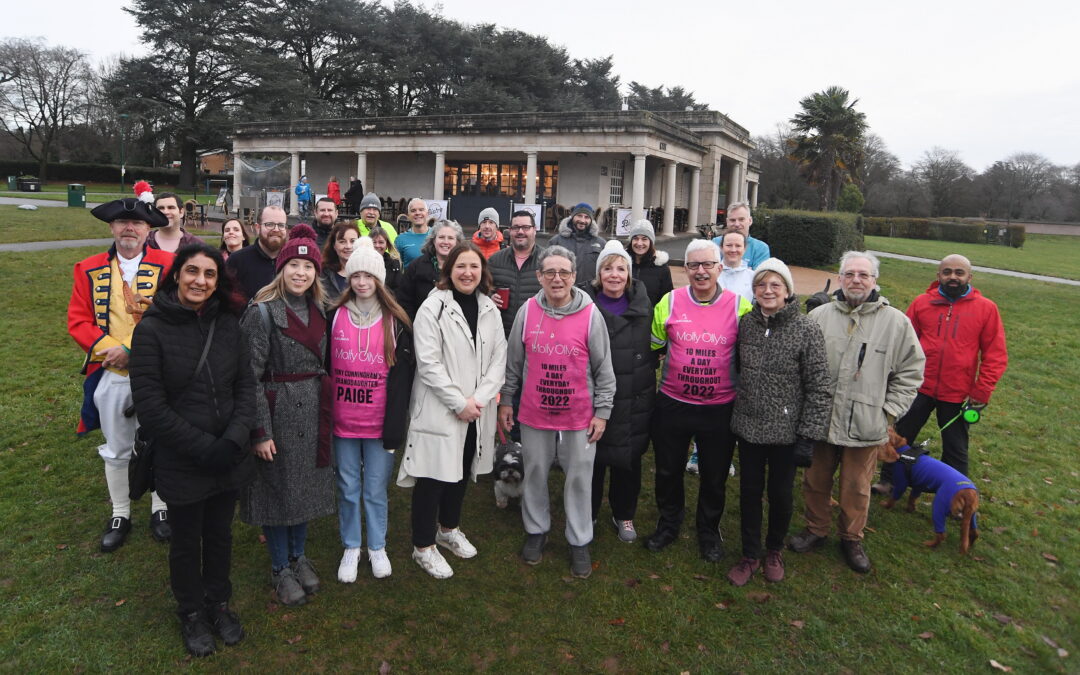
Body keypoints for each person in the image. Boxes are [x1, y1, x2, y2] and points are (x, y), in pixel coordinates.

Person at [129, 243, 255, 657]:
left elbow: (245, 387)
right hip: (182, 458)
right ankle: (191, 611)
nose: (200, 281)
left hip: (228, 454)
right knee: (186, 541)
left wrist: (233, 439)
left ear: (218, 282)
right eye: (192, 271)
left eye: (209, 274)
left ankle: (218, 603)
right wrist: (205, 448)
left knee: (219, 535)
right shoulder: (151, 330)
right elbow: (151, 408)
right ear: (177, 275)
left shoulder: (229, 324)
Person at [790, 251, 925, 574]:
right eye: (849, 274)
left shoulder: (896, 323)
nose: (856, 280)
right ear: (840, 279)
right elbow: (797, 364)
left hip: (866, 423)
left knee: (857, 487)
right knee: (815, 480)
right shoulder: (819, 316)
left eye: (863, 275)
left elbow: (911, 372)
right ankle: (816, 528)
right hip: (821, 419)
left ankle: (851, 538)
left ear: (874, 281)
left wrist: (888, 412)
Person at [498, 246, 616, 578]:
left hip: (579, 415)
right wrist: (506, 399)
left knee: (579, 477)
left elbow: (604, 369)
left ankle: (579, 539)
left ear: (574, 276)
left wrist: (603, 411)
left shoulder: (590, 314)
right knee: (534, 471)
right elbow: (513, 363)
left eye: (564, 272)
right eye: (549, 272)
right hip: (534, 411)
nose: (557, 278)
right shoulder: (527, 311)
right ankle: (536, 530)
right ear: (539, 276)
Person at [67, 198, 175, 552]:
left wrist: (131, 347)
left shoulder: (170, 265)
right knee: (117, 447)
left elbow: (174, 311)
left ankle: (161, 508)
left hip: (159, 372)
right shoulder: (88, 269)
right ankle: (120, 513)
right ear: (112, 227)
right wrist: (111, 349)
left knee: (162, 440)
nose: (129, 228)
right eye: (122, 222)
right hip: (111, 369)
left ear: (148, 229)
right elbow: (78, 320)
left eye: (137, 222)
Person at [239, 224, 336, 606]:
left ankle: (299, 555)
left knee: (304, 488)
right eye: (293, 265)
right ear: (281, 269)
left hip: (313, 410)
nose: (301, 272)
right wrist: (259, 431)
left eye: (308, 266)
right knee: (277, 490)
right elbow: (248, 377)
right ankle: (280, 566)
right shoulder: (261, 313)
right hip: (277, 411)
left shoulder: (319, 310)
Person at [398, 243, 507, 578]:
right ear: (449, 270)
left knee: (461, 470)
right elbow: (428, 364)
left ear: (482, 272)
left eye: (474, 266)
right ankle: (422, 546)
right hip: (441, 409)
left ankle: (448, 529)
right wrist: (460, 403)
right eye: (461, 266)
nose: (467, 273)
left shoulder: (489, 308)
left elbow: (498, 359)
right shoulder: (433, 308)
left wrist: (478, 401)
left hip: (476, 411)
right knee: (432, 477)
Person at [645, 239, 753, 563]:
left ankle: (708, 531)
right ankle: (668, 524)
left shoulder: (740, 306)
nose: (701, 271)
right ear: (686, 269)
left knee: (714, 475)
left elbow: (748, 357)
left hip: (719, 408)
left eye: (707, 264)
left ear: (720, 268)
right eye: (694, 265)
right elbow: (655, 346)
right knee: (667, 471)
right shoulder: (669, 302)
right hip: (673, 403)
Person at [726, 259, 830, 586]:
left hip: (786, 432)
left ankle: (774, 549)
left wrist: (808, 436)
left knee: (781, 495)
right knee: (749, 492)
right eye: (761, 285)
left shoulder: (806, 329)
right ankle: (750, 552)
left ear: (787, 291)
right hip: (749, 427)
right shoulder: (746, 324)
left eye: (775, 285)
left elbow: (819, 385)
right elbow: (738, 367)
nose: (768, 291)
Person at [877, 254, 1007, 490]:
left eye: (959, 272)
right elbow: (902, 344)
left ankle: (957, 490)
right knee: (899, 436)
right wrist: (895, 378)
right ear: (939, 275)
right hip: (918, 386)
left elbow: (995, 354)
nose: (953, 277)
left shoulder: (986, 309)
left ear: (969, 277)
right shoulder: (921, 303)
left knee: (956, 446)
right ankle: (888, 481)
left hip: (957, 392)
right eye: (947, 272)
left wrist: (982, 390)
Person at [328, 237, 415, 583]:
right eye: (355, 276)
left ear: (379, 279)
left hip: (379, 423)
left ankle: (377, 545)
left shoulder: (395, 321)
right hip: (343, 421)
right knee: (348, 486)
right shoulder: (334, 315)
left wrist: (398, 422)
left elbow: (403, 377)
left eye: (368, 276)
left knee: (375, 489)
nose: (362, 282)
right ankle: (352, 545)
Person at [583, 241, 656, 544]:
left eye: (621, 268)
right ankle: (587, 514)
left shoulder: (645, 307)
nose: (614, 274)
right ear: (599, 274)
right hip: (593, 397)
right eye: (608, 268)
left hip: (634, 395)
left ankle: (624, 513)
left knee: (629, 460)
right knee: (592, 461)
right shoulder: (583, 306)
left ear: (629, 274)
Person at [489, 210, 545, 336]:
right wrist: (489, 296)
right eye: (515, 227)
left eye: (526, 227)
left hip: (536, 334)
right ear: (510, 231)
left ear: (534, 230)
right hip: (501, 334)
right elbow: (480, 288)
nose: (520, 231)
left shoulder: (547, 261)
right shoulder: (495, 260)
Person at [396, 219, 465, 318]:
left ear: (457, 242)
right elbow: (404, 301)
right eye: (441, 237)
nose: (445, 242)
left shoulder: (465, 268)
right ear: (433, 240)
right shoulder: (416, 267)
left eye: (450, 238)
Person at [226, 205, 289, 301]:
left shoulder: (291, 261)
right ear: (257, 227)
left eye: (281, 225)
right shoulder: (237, 261)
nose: (276, 229)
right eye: (270, 224)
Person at [548, 203, 605, 288]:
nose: (582, 220)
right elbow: (546, 268)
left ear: (591, 220)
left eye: (587, 217)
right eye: (579, 216)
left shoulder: (601, 244)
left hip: (592, 292)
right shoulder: (556, 241)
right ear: (572, 217)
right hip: (563, 290)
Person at [625, 220, 672, 307]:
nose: (639, 243)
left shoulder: (662, 269)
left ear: (651, 242)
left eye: (644, 239)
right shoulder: (622, 264)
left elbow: (667, 300)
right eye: (635, 238)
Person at [712, 202, 770, 269]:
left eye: (741, 219)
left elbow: (759, 275)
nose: (737, 224)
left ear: (750, 221)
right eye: (732, 220)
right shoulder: (715, 243)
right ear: (727, 222)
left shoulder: (761, 248)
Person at [320, 220, 360, 299]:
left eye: (353, 241)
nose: (348, 246)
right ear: (334, 246)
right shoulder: (323, 274)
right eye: (342, 242)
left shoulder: (368, 272)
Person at [716, 229, 754, 302]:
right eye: (729, 245)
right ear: (721, 247)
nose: (733, 250)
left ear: (744, 249)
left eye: (738, 246)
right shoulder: (712, 274)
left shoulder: (752, 277)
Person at [395, 198, 430, 267]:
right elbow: (396, 266)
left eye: (421, 210)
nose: (417, 213)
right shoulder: (401, 239)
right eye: (413, 211)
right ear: (408, 216)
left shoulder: (437, 235)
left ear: (427, 213)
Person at [369, 226, 402, 292]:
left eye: (381, 242)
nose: (377, 245)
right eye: (374, 242)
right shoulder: (362, 262)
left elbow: (397, 289)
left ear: (387, 245)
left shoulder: (394, 263)